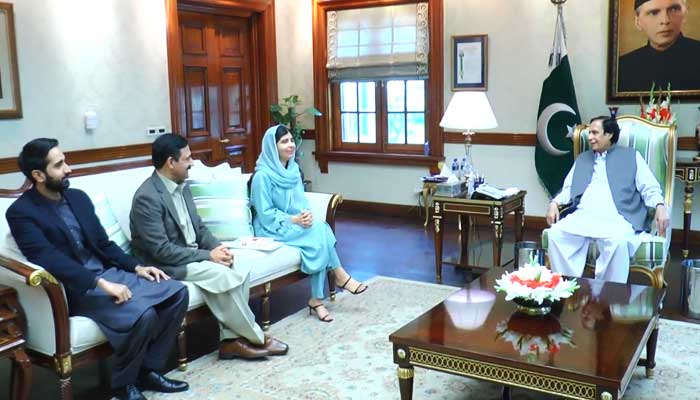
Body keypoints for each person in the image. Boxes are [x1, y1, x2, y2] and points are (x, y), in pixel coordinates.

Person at [6, 139, 189, 400]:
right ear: (38, 175)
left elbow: (104, 244)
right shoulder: (21, 213)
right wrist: (101, 284)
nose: (68, 169)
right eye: (59, 165)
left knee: (177, 292)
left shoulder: (77, 198)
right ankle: (123, 386)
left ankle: (147, 371)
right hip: (77, 288)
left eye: (65, 160)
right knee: (144, 315)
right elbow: (49, 258)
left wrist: (137, 267)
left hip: (109, 273)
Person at [129, 134, 288, 360]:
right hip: (167, 264)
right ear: (170, 162)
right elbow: (161, 251)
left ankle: (230, 342)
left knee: (238, 267)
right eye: (187, 159)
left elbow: (199, 228)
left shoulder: (182, 186)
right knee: (222, 275)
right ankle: (259, 338)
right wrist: (208, 256)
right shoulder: (147, 198)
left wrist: (219, 248)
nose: (192, 163)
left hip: (193, 254)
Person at [250, 125, 367, 323]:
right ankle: (336, 280)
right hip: (270, 228)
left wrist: (305, 215)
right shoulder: (262, 177)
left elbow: (301, 202)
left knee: (320, 232)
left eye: (291, 140)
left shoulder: (293, 170)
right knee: (321, 234)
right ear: (272, 147)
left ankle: (318, 298)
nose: (290, 145)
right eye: (284, 142)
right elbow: (265, 214)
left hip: (293, 224)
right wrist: (293, 220)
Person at [545, 116, 670, 283]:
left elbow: (650, 187)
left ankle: (606, 295)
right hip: (584, 215)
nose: (590, 137)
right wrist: (554, 202)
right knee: (555, 235)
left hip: (618, 216)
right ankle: (569, 288)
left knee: (618, 242)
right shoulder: (583, 158)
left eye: (595, 133)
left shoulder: (631, 156)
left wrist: (660, 205)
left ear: (609, 134)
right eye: (589, 133)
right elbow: (569, 189)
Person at [618, 0, 700, 91]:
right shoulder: (622, 68)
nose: (665, 21)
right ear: (638, 22)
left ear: (684, 15)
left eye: (673, 9)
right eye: (653, 13)